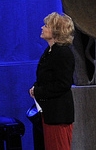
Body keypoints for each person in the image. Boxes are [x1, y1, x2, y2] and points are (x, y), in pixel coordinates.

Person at [30, 11, 76, 150]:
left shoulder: (63, 53)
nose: (42, 28)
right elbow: (46, 77)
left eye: (46, 25)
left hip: (59, 114)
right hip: (50, 112)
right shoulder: (50, 51)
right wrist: (35, 88)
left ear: (56, 31)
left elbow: (63, 84)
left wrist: (38, 91)